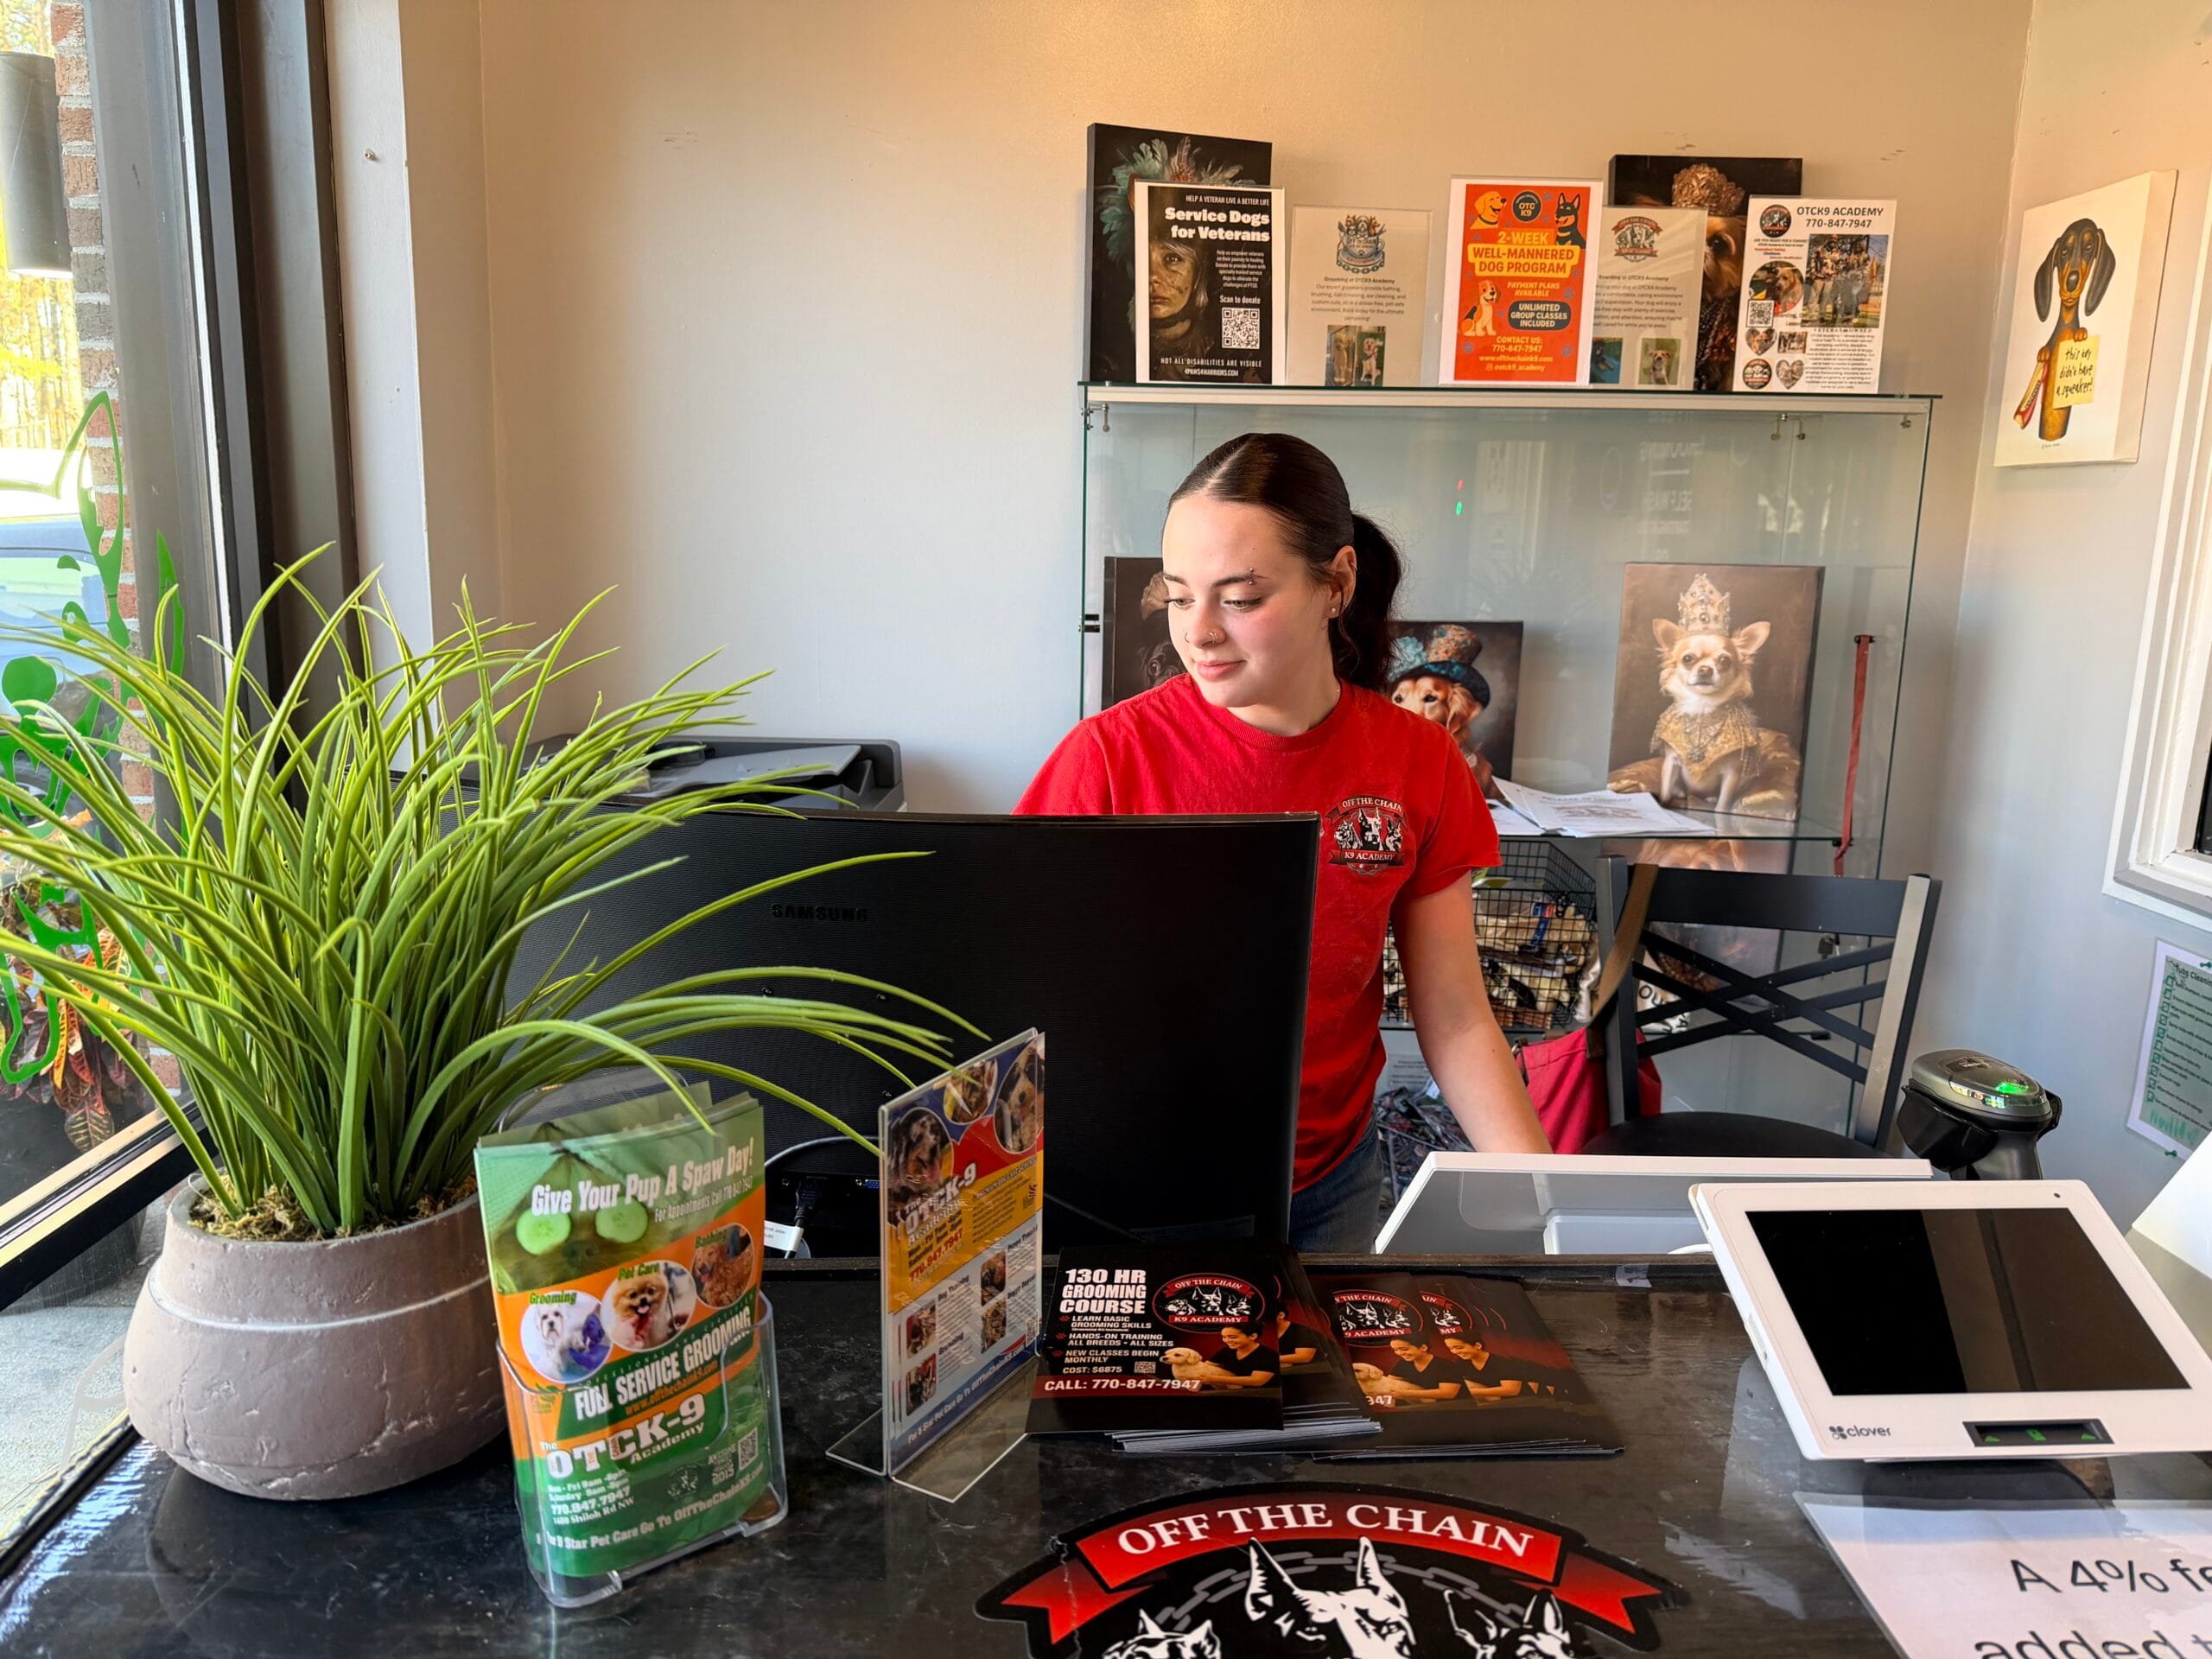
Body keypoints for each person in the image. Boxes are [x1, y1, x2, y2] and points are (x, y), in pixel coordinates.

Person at [1015, 432, 1550, 1252]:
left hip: (1329, 1186)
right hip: (1134, 1191)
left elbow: (1454, 1014)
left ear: (1335, 582)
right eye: (1179, 594)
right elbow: (1017, 1003)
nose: (1199, 633)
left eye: (1240, 597)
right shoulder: (1110, 759)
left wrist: (1546, 1201)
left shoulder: (1417, 761)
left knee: (1320, 1385)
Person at [1384, 1337, 1463, 1401]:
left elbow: (1448, 1393)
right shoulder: (1403, 1364)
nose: (1399, 1353)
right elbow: (1388, 1382)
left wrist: (1406, 1393)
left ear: (1423, 1347)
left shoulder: (1445, 1365)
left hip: (1453, 1404)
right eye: (1395, 1350)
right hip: (1425, 1403)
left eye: (1404, 1349)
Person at [1212, 1324, 1279, 1388]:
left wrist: (1215, 1379)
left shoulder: (1268, 1354)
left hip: (1261, 1393)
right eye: (1224, 1337)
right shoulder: (1227, 1351)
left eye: (1233, 1337)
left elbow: (1257, 1381)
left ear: (1253, 1336)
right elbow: (1207, 1366)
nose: (1227, 1340)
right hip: (1232, 1389)